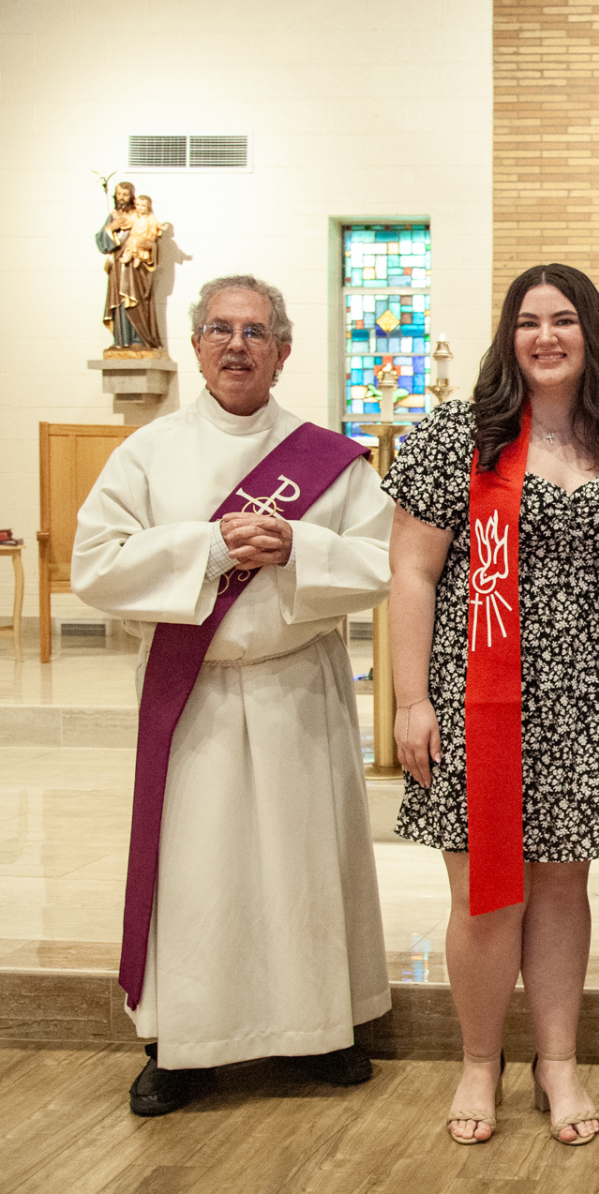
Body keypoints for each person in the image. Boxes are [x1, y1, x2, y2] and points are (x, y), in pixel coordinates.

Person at [72, 274, 393, 1115]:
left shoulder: (329, 459)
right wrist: (208, 548)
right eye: (221, 329)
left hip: (296, 687)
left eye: (256, 332)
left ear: (283, 351)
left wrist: (300, 549)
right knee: (197, 879)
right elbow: (95, 564)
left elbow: (382, 560)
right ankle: (184, 1045)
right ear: (195, 346)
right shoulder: (147, 453)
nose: (237, 345)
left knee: (304, 868)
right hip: (195, 696)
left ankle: (322, 1029)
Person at [384, 263, 599, 1146]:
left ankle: (558, 1061)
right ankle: (478, 1061)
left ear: (591, 335)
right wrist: (411, 701)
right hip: (476, 698)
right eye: (529, 321)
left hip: (585, 700)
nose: (546, 336)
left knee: (564, 886)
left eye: (564, 320)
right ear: (510, 337)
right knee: (485, 894)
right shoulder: (456, 437)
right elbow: (411, 572)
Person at [96, 179, 162, 351]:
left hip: (137, 268)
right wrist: (110, 228)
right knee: (119, 303)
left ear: (132, 196)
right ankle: (122, 341)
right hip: (118, 267)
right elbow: (101, 242)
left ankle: (140, 340)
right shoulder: (113, 216)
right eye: (119, 194)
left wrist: (150, 247)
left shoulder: (140, 214)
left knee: (137, 302)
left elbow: (154, 239)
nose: (121, 197)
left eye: (125, 194)